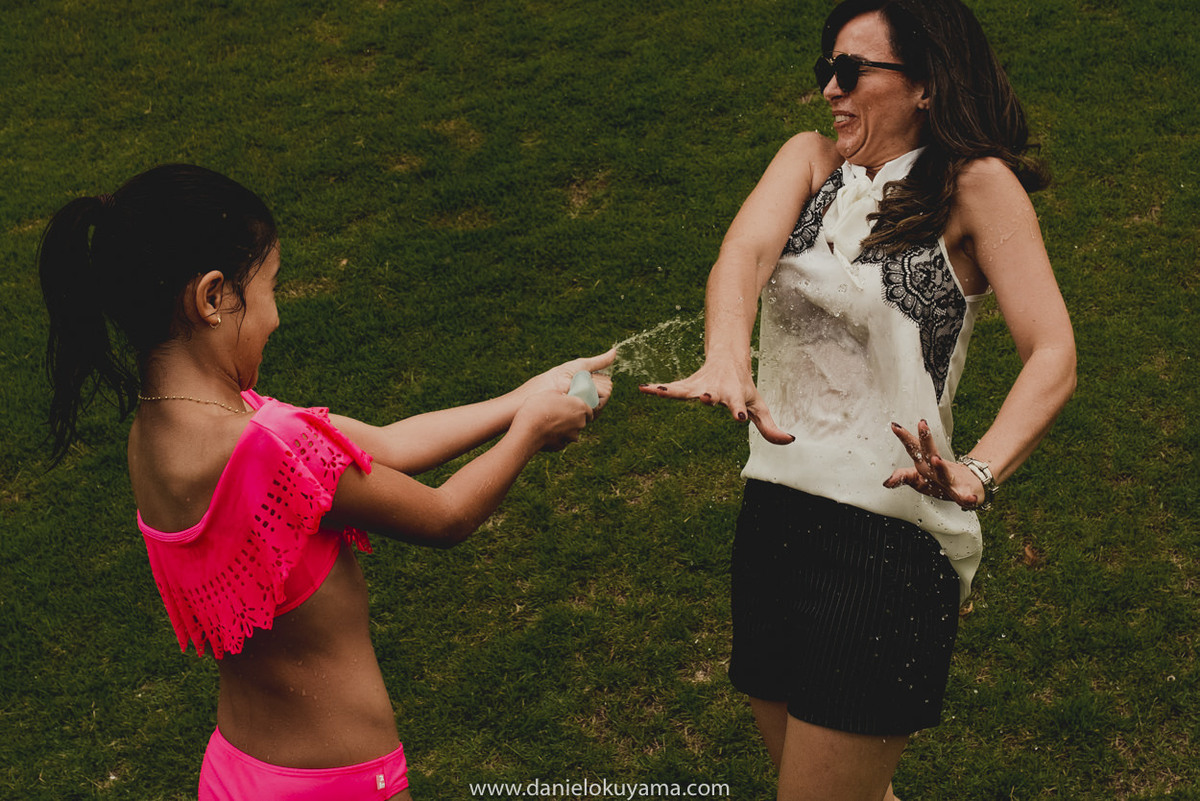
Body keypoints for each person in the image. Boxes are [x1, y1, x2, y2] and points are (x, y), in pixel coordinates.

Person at [38, 163, 614, 800]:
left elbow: (392, 445)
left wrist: (522, 396)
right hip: (334, 783)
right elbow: (447, 515)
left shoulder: (152, 438)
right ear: (211, 298)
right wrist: (529, 432)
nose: (276, 318)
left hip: (235, 772)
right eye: (269, 290)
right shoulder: (271, 446)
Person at [641, 0, 1075, 798]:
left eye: (851, 71)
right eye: (825, 71)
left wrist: (978, 469)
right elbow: (742, 254)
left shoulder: (976, 186)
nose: (831, 91)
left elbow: (1054, 354)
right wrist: (727, 357)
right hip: (772, 516)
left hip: (888, 541)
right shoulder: (808, 160)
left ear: (926, 85)